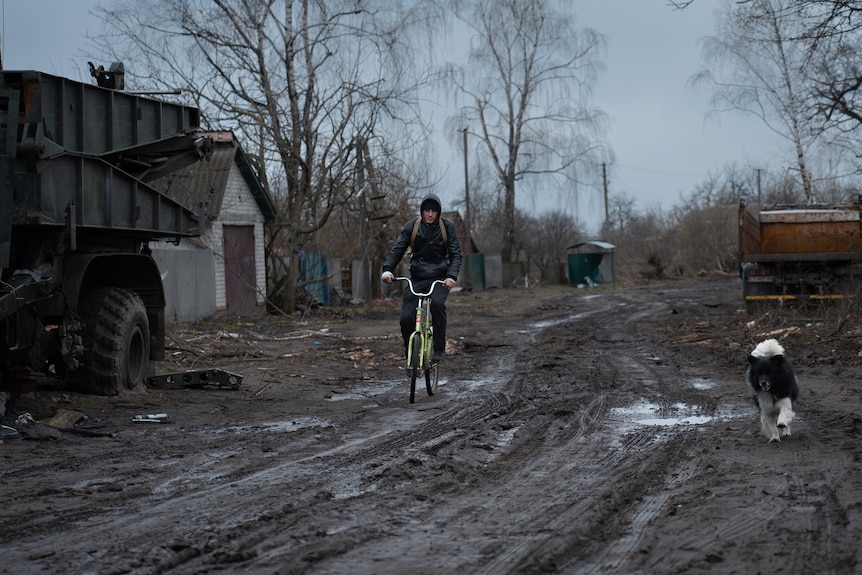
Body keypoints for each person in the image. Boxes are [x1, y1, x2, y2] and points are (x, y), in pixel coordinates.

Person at [381, 193, 462, 362]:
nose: (430, 214)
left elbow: (456, 254)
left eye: (433, 210)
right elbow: (398, 249)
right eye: (427, 210)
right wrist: (388, 269)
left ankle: (439, 349)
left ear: (438, 212)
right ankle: (410, 351)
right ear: (422, 211)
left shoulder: (448, 227)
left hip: (440, 278)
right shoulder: (412, 227)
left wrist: (451, 276)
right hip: (417, 278)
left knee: (438, 305)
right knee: (406, 318)